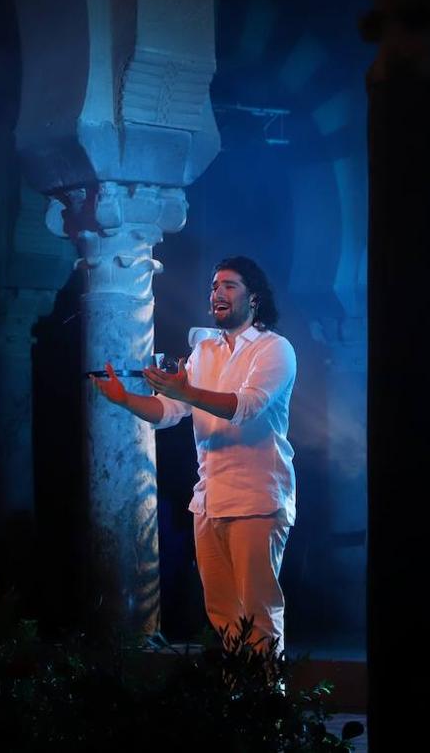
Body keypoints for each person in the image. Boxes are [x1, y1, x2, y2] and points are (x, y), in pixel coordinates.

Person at [91, 256, 298, 653]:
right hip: (209, 502)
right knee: (221, 612)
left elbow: (246, 407)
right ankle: (238, 701)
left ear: (254, 297)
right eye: (213, 286)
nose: (217, 292)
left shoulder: (275, 349)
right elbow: (169, 411)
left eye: (229, 285)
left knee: (258, 611)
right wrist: (125, 400)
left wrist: (184, 391)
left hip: (257, 499)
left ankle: (268, 707)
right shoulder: (205, 351)